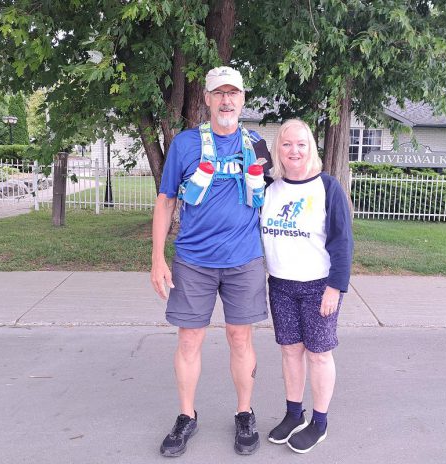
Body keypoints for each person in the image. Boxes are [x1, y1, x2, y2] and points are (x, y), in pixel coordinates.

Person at [151, 66, 272, 457]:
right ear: (205, 99)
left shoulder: (257, 145)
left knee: (241, 337)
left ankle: (244, 412)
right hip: (194, 261)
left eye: (233, 93)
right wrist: (157, 258)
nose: (226, 100)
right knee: (189, 339)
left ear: (242, 99)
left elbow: (277, 197)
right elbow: (166, 201)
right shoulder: (185, 145)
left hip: (244, 260)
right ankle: (187, 416)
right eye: (218, 93)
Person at [260, 119, 354, 453]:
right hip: (281, 285)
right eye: (286, 144)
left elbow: (343, 243)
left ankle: (319, 421)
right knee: (290, 351)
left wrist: (335, 287)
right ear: (278, 150)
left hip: (319, 287)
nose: (294, 150)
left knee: (318, 354)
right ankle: (293, 414)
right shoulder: (269, 188)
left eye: (301, 144)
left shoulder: (328, 187)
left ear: (310, 147)